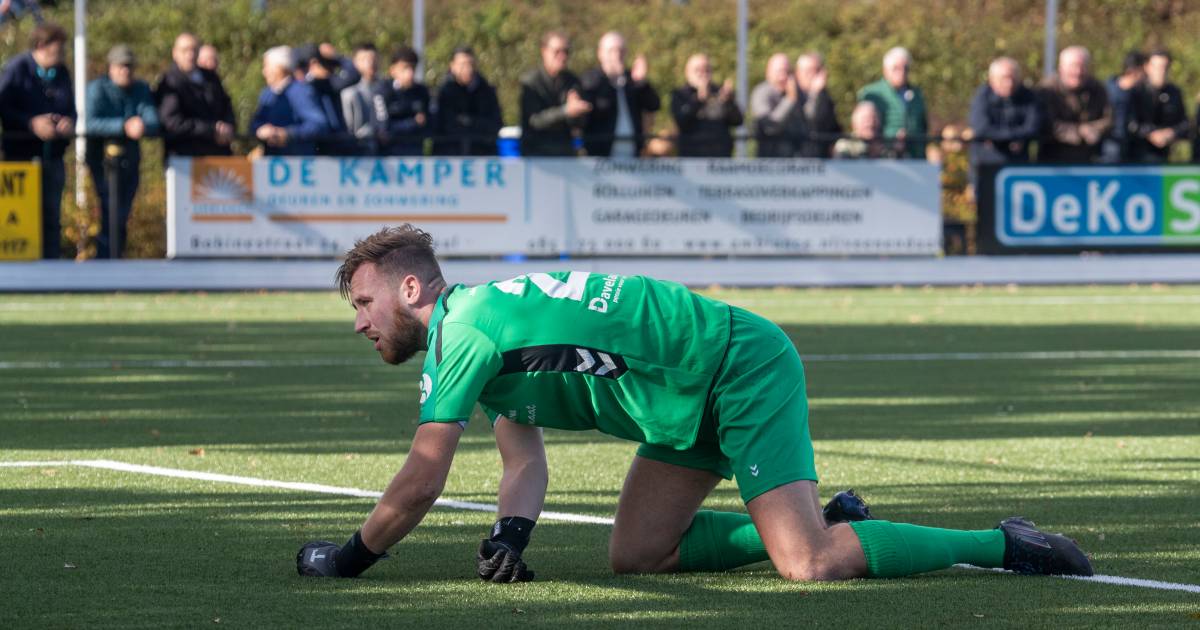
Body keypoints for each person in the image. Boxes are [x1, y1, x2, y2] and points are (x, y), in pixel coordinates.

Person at [295, 225, 1095, 584]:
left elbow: (422, 478)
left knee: (806, 565)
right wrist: (512, 531)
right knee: (637, 555)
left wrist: (351, 557)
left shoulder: (462, 333)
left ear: (411, 288)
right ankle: (830, 518)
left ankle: (1000, 543)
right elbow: (521, 452)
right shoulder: (484, 327)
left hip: (737, 365)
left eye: (364, 302)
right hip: (682, 402)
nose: (361, 322)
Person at [0, 22, 75, 259]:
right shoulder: (16, 69)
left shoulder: (62, 72)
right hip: (20, 159)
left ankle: (51, 269)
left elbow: (71, 108)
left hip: (52, 157)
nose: (62, 54)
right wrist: (30, 123)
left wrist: (68, 122)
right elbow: (3, 106)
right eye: (58, 49)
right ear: (41, 46)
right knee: (20, 217)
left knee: (51, 216)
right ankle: (18, 272)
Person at [85, 44, 161, 259]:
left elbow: (153, 120)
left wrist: (142, 126)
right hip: (102, 161)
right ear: (110, 67)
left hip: (129, 161)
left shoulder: (140, 89)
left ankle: (117, 259)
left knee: (122, 213)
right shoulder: (97, 89)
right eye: (120, 66)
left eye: (129, 66)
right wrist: (124, 126)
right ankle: (105, 260)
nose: (125, 71)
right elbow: (90, 124)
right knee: (109, 212)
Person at [154, 33, 236, 159]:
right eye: (185, 50)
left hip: (218, 156)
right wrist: (211, 129)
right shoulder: (169, 82)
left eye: (194, 50)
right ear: (175, 53)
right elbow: (172, 122)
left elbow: (226, 106)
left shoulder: (211, 78)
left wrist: (227, 127)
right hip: (185, 160)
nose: (190, 55)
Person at [579, 31, 660, 158]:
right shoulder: (591, 79)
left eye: (621, 50)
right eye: (611, 50)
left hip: (632, 155)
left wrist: (642, 82)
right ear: (600, 53)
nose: (617, 55)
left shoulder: (632, 79)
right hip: (600, 156)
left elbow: (654, 105)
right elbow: (594, 111)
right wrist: (610, 80)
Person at [967, 57, 1041, 183]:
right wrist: (1014, 138)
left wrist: (996, 139)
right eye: (1004, 78)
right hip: (986, 168)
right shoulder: (982, 97)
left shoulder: (1029, 97)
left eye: (1013, 78)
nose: (1009, 83)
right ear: (992, 79)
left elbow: (1033, 127)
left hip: (1018, 168)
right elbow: (981, 129)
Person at [519, 31, 589, 156]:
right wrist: (565, 111)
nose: (562, 56)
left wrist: (579, 113)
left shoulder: (572, 81)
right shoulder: (531, 82)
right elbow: (534, 121)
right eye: (557, 51)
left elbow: (578, 125)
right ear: (544, 51)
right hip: (536, 156)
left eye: (566, 51)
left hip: (564, 155)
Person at [249, 46, 329, 156]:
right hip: (270, 163)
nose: (264, 72)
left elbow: (318, 125)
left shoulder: (300, 91)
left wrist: (287, 134)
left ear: (280, 68)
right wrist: (261, 130)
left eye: (266, 66)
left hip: (297, 163)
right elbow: (256, 122)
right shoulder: (267, 93)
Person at [1038, 46, 1111, 163]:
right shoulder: (1047, 90)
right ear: (1061, 68)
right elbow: (1046, 124)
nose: (1078, 72)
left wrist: (1093, 129)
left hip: (1090, 158)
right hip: (1054, 159)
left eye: (1082, 66)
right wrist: (1079, 132)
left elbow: (1108, 118)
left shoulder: (1097, 88)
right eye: (1073, 66)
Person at [431, 46, 502, 156]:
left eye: (470, 64)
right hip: (450, 156)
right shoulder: (443, 92)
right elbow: (443, 125)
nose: (467, 69)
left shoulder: (486, 91)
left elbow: (495, 123)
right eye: (462, 64)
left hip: (482, 154)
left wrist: (469, 122)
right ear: (452, 66)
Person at [857, 47, 928, 158]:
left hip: (915, 158)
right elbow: (864, 129)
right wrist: (890, 143)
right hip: (884, 157)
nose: (902, 72)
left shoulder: (917, 94)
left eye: (905, 68)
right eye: (896, 68)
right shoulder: (871, 94)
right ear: (885, 70)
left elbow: (923, 126)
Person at [670, 54, 743, 157]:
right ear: (687, 72)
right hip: (692, 158)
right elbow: (681, 122)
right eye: (698, 70)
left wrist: (729, 103)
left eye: (706, 69)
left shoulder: (720, 92)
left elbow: (738, 121)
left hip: (719, 158)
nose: (703, 74)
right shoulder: (680, 95)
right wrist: (698, 100)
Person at [294, 43, 353, 155]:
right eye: (325, 64)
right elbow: (353, 72)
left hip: (332, 145)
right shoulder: (316, 84)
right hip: (320, 146)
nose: (329, 70)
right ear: (313, 64)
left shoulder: (324, 83)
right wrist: (338, 58)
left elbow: (353, 73)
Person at [750, 53, 806, 158]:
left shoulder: (798, 93)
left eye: (787, 72)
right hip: (769, 162)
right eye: (779, 71)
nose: (783, 76)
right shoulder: (761, 93)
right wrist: (789, 100)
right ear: (768, 73)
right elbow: (769, 126)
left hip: (796, 161)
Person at [1139, 49, 1187, 164]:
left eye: (1165, 67)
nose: (1161, 72)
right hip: (1135, 157)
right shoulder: (1137, 92)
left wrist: (1171, 132)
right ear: (1147, 67)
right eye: (1157, 67)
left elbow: (1184, 123)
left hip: (1164, 156)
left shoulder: (1174, 92)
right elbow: (1129, 122)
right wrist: (1150, 134)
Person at [340, 43, 389, 155]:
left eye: (373, 59)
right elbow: (350, 128)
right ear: (355, 63)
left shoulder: (387, 89)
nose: (370, 63)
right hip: (360, 152)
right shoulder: (350, 94)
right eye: (364, 59)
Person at [382, 46, 430, 156]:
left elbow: (427, 126)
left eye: (413, 68)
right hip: (388, 156)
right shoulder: (383, 91)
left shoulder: (421, 92)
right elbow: (384, 129)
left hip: (415, 153)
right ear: (392, 70)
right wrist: (413, 123)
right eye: (405, 68)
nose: (410, 73)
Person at [1101, 51, 1146, 164]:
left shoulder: (1138, 93)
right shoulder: (1106, 91)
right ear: (1135, 71)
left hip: (1131, 149)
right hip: (1110, 149)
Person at [794, 52, 840, 157]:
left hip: (823, 158)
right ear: (798, 73)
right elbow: (808, 120)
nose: (812, 75)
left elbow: (833, 126)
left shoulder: (824, 96)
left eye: (816, 70)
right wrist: (815, 94)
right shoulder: (790, 95)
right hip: (799, 160)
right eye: (808, 71)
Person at [833, 101, 899, 159]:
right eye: (865, 119)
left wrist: (898, 151)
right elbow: (844, 165)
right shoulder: (845, 144)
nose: (870, 123)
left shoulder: (885, 145)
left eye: (873, 118)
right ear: (854, 123)